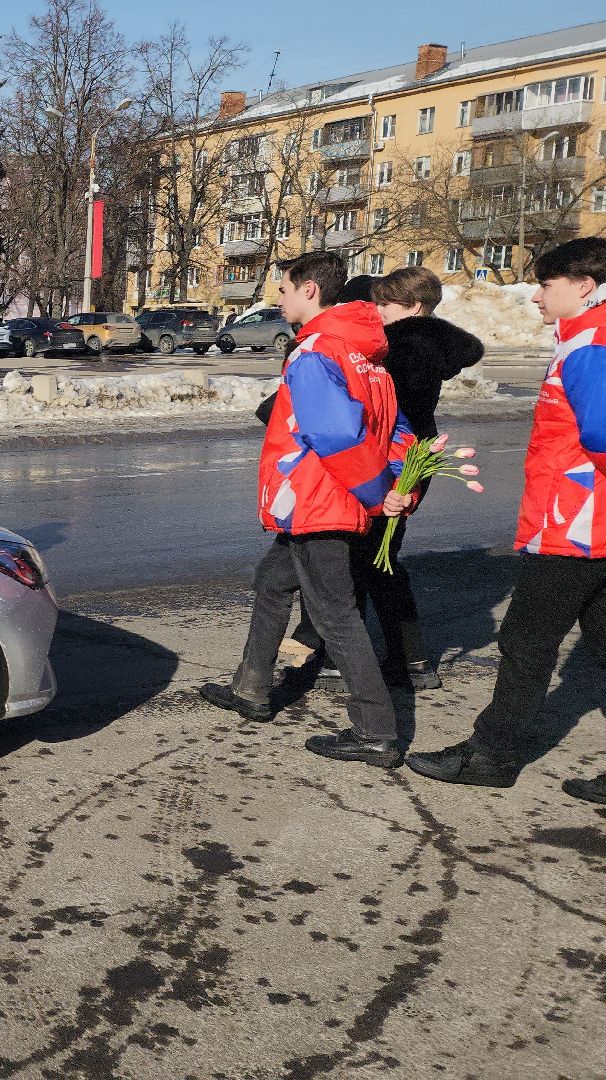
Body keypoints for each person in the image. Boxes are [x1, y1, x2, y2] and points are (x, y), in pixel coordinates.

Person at [407, 237, 606, 800]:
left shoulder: (590, 343)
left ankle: (491, 755)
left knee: (526, 639)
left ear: (584, 286)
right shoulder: (589, 338)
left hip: (576, 525)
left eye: (547, 285)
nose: (537, 297)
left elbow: (600, 433)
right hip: (588, 523)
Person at [198, 250, 413, 768]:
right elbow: (402, 433)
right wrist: (395, 486)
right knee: (273, 581)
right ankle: (251, 689)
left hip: (320, 501)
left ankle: (375, 731)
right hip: (325, 501)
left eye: (285, 288)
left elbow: (334, 433)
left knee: (335, 614)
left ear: (310, 291)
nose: (279, 297)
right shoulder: (366, 356)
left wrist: (375, 492)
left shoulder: (317, 351)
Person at [280, 268, 486, 691]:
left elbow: (372, 403)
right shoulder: (422, 343)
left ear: (413, 307)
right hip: (408, 458)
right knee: (379, 559)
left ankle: (355, 662)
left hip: (392, 461)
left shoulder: (407, 347)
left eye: (384, 304)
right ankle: (408, 659)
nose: (376, 312)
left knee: (363, 561)